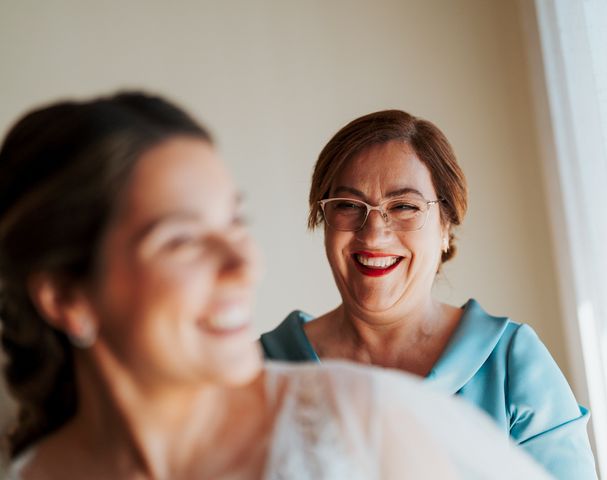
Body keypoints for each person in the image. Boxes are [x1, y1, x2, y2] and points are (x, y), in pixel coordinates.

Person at [0, 93, 550, 479]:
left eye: (235, 223)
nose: (246, 266)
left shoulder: (361, 419)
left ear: (447, 221)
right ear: (65, 297)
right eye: (184, 240)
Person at [260, 110, 597, 479]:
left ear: (445, 226)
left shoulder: (511, 365)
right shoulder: (262, 371)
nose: (373, 234)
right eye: (348, 206)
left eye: (404, 206)